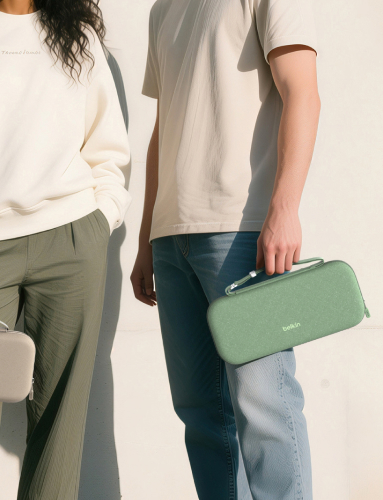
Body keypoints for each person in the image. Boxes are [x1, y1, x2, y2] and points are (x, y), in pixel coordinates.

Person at [0, 0, 130, 498]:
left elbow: (108, 148)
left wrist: (102, 219)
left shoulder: (78, 37)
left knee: (61, 416)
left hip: (74, 239)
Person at [130, 0, 320, 498]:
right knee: (201, 414)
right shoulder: (163, 9)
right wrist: (148, 236)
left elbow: (302, 92)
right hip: (172, 241)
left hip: (244, 235)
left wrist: (285, 208)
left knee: (266, 406)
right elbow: (162, 129)